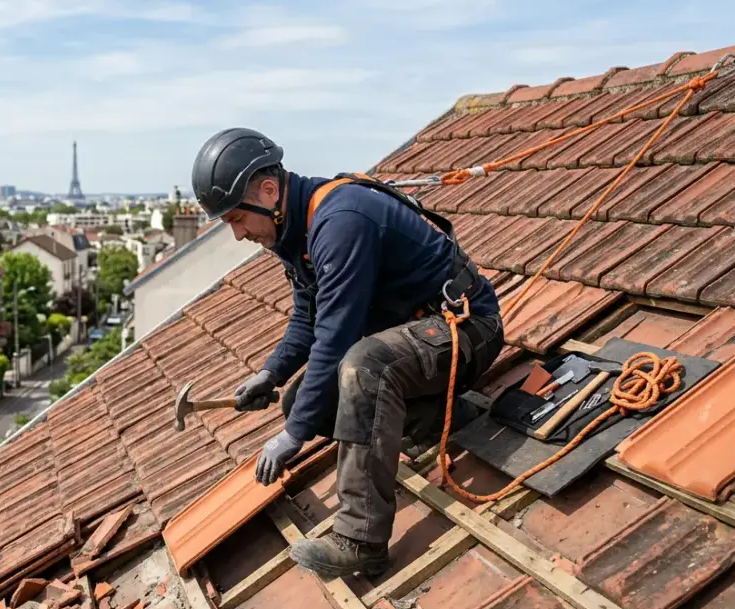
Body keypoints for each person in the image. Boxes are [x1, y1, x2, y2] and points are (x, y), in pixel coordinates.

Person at [190, 127, 505, 578]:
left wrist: (292, 436)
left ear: (268, 189)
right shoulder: (294, 228)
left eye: (238, 218)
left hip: (467, 330)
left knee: (363, 367)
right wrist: (271, 373)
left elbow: (336, 336)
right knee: (301, 402)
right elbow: (308, 318)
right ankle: (442, 415)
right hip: (422, 337)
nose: (239, 234)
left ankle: (361, 540)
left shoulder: (340, 221)